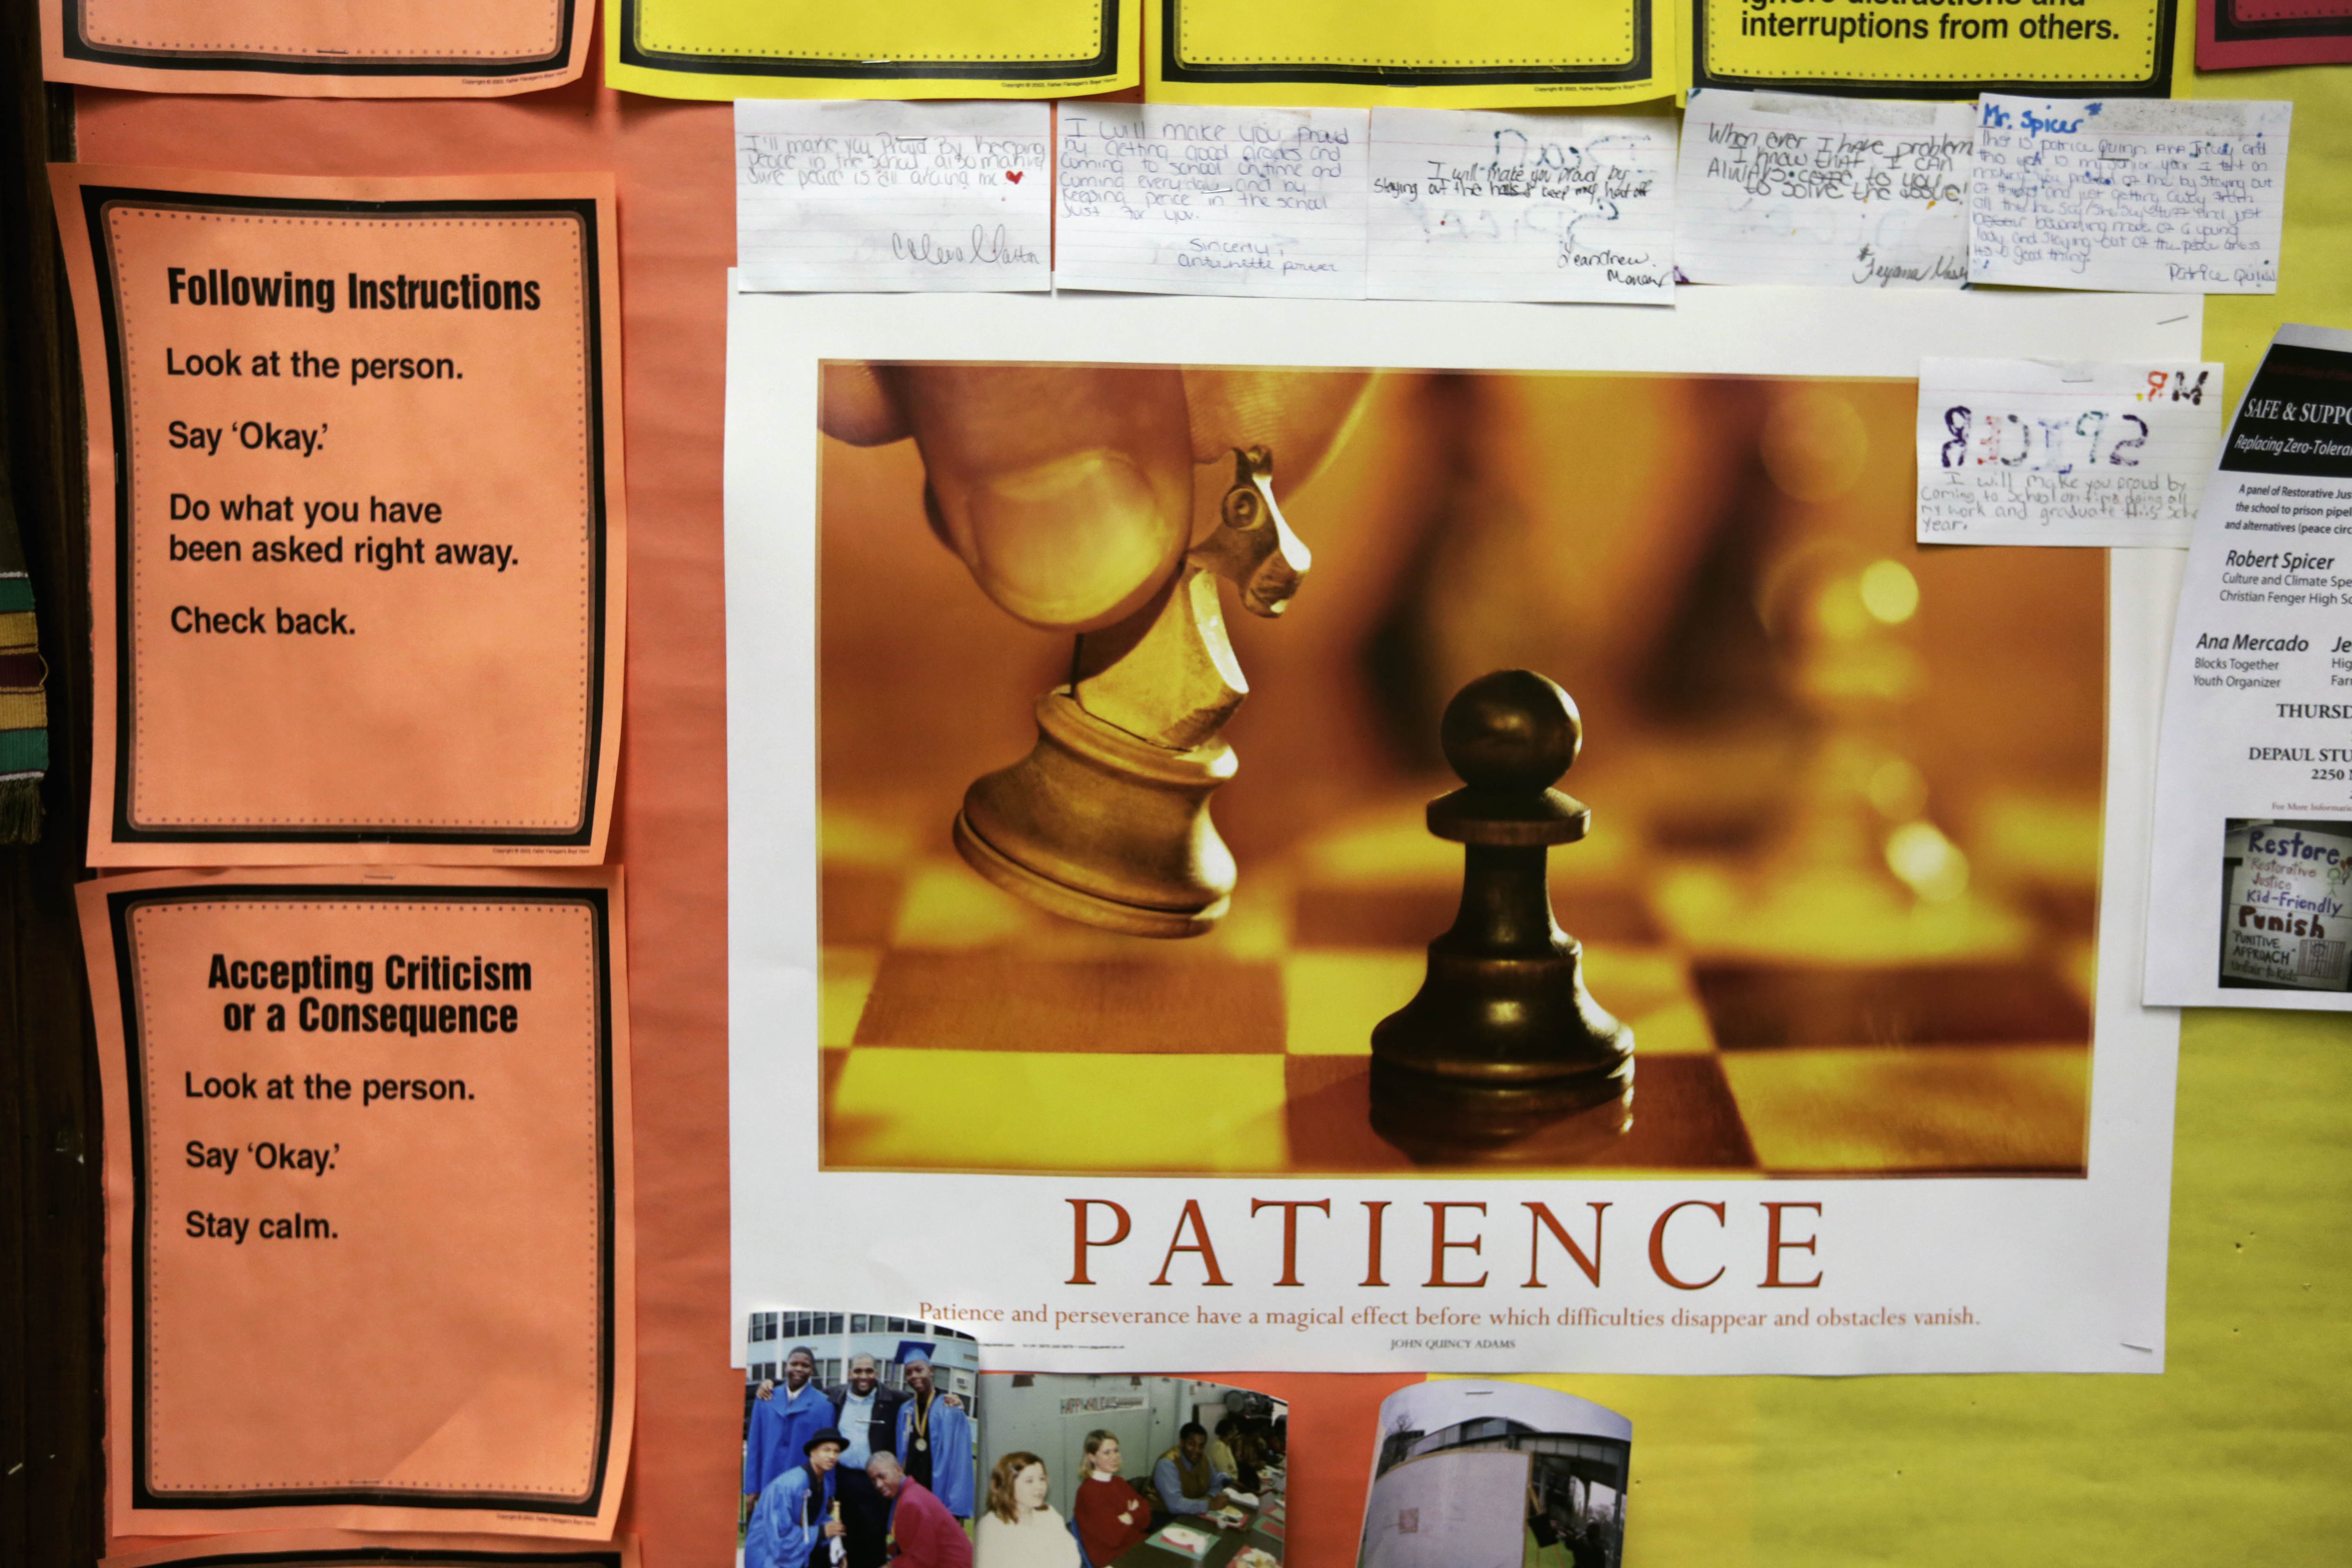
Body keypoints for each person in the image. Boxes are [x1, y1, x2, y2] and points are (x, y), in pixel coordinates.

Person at [746, 1429, 850, 1568]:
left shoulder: (823, 1483)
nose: (832, 1456)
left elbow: (818, 1521)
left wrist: (837, 1544)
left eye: (837, 1452)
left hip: (795, 1554)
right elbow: (779, 1539)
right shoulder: (790, 1485)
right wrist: (822, 1532)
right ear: (813, 1452)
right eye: (827, 1450)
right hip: (768, 1556)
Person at [747, 1348, 836, 1508]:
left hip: (804, 1486)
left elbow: (829, 1451)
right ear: (786, 1367)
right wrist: (751, 1487)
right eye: (794, 1364)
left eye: (805, 1365)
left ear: (812, 1371)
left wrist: (828, 1491)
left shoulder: (824, 1405)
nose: (799, 1369)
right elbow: (755, 1445)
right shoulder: (766, 1399)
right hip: (769, 1482)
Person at [895, 1352, 976, 1520]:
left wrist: (955, 1506)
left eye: (919, 1370)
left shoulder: (950, 1409)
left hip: (939, 1493)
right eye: (909, 1373)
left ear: (931, 1371)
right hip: (912, 1492)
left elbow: (961, 1461)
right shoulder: (905, 1410)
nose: (914, 1376)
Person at [866, 1451, 973, 1568]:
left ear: (899, 1470)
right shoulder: (911, 1492)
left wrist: (891, 1566)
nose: (879, 1485)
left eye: (882, 1476)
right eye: (874, 1480)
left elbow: (922, 1561)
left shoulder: (911, 1502)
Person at [973, 1452, 1080, 1568]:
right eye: (1030, 1481)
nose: (1040, 1486)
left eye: (1042, 1479)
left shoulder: (1049, 1515)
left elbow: (1072, 1558)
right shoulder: (991, 1527)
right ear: (1008, 1483)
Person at [1072, 1430, 1149, 1567]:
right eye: (1107, 1453)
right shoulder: (1088, 1492)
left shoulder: (1119, 1482)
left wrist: (1127, 1517)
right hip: (1113, 1559)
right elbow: (1113, 1538)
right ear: (1092, 1458)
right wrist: (1134, 1515)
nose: (1115, 1457)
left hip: (1137, 1547)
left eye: (1116, 1451)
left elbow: (1147, 1518)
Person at [827, 1354, 906, 1472]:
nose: (864, 1376)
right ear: (850, 1374)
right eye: (858, 1371)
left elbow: (922, 1403)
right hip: (841, 1475)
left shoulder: (895, 1400)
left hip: (877, 1478)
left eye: (869, 1371)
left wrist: (943, 1400)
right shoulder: (834, 1397)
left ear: (876, 1374)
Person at [1149, 1423, 1238, 1518]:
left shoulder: (1205, 1460)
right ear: (1181, 1443)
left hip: (1192, 1513)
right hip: (1163, 1517)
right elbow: (1175, 1505)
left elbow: (1216, 1484)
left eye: (1201, 1446)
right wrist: (1209, 1505)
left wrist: (1210, 1497)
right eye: (1191, 1444)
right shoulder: (1167, 1464)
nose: (1197, 1450)